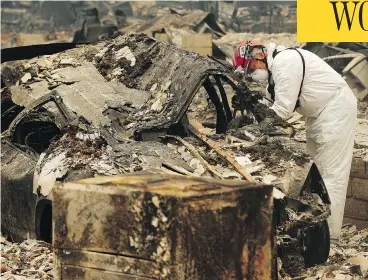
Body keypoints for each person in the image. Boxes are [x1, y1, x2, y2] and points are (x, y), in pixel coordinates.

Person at [232, 41, 357, 241]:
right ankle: (318, 232)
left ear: (258, 56)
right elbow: (269, 105)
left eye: (251, 68)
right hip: (318, 114)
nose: (252, 74)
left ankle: (330, 239)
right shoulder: (274, 74)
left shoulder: (285, 62)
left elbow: (282, 110)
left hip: (336, 110)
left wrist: (255, 129)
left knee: (331, 174)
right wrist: (250, 111)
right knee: (317, 172)